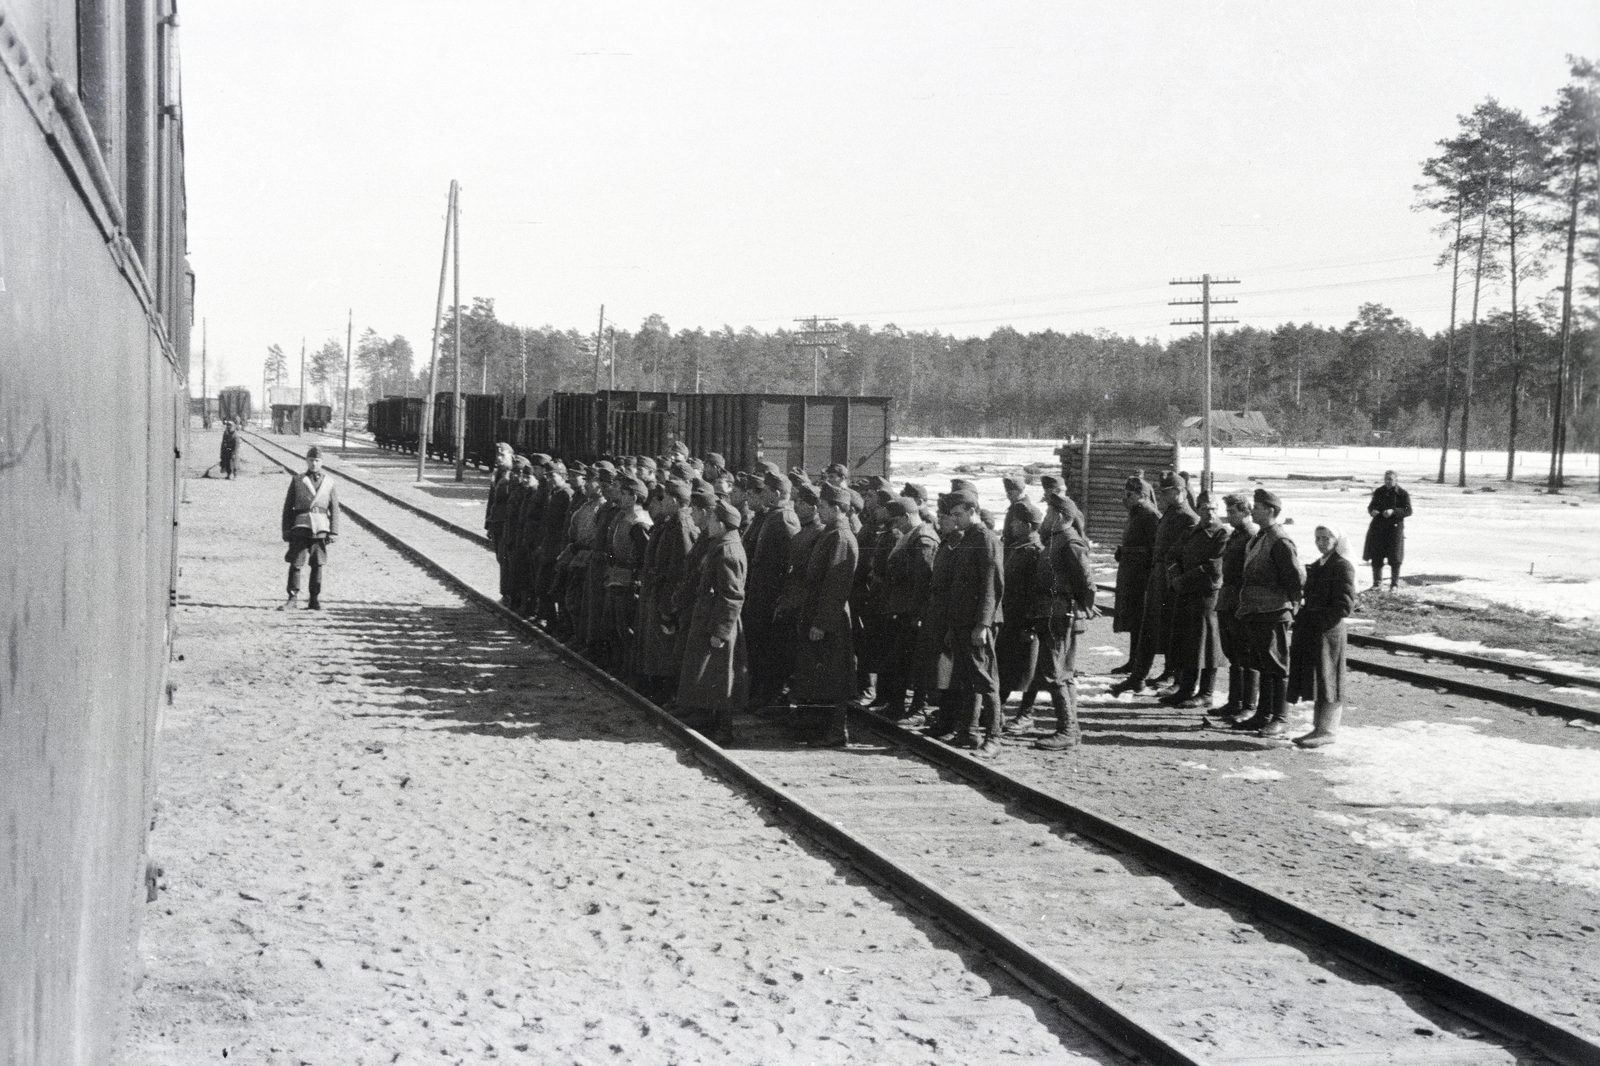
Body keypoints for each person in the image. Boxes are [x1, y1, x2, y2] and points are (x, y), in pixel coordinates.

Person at [1110, 472, 1197, 696]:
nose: (1165, 496)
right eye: (1165, 493)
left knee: (1171, 630)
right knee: (1149, 628)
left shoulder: (1188, 518)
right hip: (1158, 577)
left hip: (1171, 581)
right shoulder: (1170, 514)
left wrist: (1172, 575)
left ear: (1182, 492)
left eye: (1170, 492)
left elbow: (1185, 555)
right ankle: (1138, 677)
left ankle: (1172, 677)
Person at [674, 496, 749, 746]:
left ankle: (724, 730)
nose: (709, 525)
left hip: (719, 622)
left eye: (713, 520)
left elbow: (732, 596)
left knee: (722, 678)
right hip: (711, 618)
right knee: (709, 675)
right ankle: (707, 721)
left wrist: (720, 631)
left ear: (722, 524)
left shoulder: (727, 550)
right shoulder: (722, 545)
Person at [790, 482, 860, 746]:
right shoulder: (831, 533)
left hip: (830, 619)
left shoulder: (840, 537)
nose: (819, 510)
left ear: (837, 508)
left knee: (833, 677)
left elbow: (836, 585)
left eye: (822, 506)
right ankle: (817, 728)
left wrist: (821, 622)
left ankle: (834, 732)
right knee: (819, 674)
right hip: (819, 613)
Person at [1231, 488, 1305, 737]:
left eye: (1258, 507)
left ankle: (1280, 717)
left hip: (1273, 610)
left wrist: (1291, 606)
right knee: (1262, 662)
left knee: (1277, 665)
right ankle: (1263, 714)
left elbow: (1295, 579)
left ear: (1271, 511)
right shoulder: (1261, 536)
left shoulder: (1280, 540)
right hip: (1255, 608)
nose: (1253, 510)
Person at [941, 489, 1005, 757]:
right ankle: (969, 732)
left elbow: (992, 585)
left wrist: (983, 624)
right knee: (968, 678)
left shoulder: (986, 539)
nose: (955, 519)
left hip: (977, 623)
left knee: (986, 680)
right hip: (961, 620)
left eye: (959, 514)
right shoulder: (968, 538)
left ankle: (994, 738)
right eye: (952, 515)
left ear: (972, 511)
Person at [1031, 494, 1097, 750]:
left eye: (1050, 514)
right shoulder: (1056, 539)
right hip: (1051, 610)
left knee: (1056, 672)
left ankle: (1067, 730)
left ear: (1064, 517)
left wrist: (1082, 607)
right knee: (1060, 672)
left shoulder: (1069, 541)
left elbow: (1086, 581)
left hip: (1060, 612)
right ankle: (1071, 728)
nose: (1046, 518)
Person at [1288, 525, 1357, 747]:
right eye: (1317, 538)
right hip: (1316, 630)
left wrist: (1320, 623)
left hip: (1329, 632)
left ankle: (1328, 730)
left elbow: (1344, 605)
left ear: (1336, 540)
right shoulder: (1320, 564)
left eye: (1326, 538)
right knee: (1320, 681)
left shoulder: (1342, 565)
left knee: (1331, 681)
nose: (1321, 542)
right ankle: (1318, 728)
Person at [1161, 491, 1229, 710]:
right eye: (1204, 508)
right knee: (1189, 643)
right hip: (1186, 594)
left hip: (1207, 596)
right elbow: (1172, 556)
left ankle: (1206, 692)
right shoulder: (1191, 532)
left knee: (1207, 645)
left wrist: (1184, 580)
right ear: (1198, 510)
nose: (1209, 513)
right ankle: (1186, 689)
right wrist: (1175, 578)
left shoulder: (1222, 535)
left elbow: (1215, 567)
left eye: (1213, 508)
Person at [874, 498, 939, 720]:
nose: (894, 526)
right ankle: (897, 706)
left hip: (913, 612)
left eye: (897, 521)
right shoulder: (910, 537)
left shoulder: (923, 539)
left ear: (907, 516)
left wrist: (918, 614)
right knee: (900, 660)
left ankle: (918, 707)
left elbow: (924, 581)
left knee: (915, 662)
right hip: (902, 610)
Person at [743, 470, 801, 708]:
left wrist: (781, 599)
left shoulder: (785, 519)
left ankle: (771, 698)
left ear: (776, 494)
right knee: (759, 647)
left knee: (770, 649)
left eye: (766, 491)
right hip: (760, 594)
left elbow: (792, 564)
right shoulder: (772, 516)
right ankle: (760, 695)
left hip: (770, 596)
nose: (762, 494)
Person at [996, 499, 1045, 732]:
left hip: (1026, 620)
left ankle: (1026, 713)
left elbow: (1038, 591)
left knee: (1031, 669)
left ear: (1027, 525)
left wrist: (1032, 624)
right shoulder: (1017, 547)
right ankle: (998, 708)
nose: (1011, 526)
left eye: (1016, 523)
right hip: (1011, 617)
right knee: (1008, 663)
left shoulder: (1035, 551)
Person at [1211, 493, 1259, 726]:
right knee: (1233, 654)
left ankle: (1248, 705)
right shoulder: (1238, 533)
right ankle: (1234, 701)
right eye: (1228, 511)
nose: (1228, 515)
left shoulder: (1250, 534)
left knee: (1245, 654)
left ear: (1245, 512)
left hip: (1240, 599)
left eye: (1232, 511)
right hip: (1228, 597)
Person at [279, 445, 340, 610]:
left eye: (317, 460)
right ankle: (292, 598)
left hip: (320, 528)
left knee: (317, 563)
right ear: (306, 461)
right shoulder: (298, 480)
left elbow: (334, 508)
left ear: (322, 462)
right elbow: (287, 507)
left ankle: (314, 599)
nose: (314, 464)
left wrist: (333, 531)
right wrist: (286, 529)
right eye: (311, 460)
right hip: (301, 526)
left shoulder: (329, 482)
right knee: (296, 563)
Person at [1109, 477, 1159, 674]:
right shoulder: (1136, 513)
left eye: (1129, 494)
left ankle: (1139, 663)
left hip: (1142, 577)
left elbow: (1155, 549)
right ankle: (1133, 661)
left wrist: (1131, 553)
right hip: (1132, 574)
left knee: (1141, 620)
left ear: (1143, 495)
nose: (1125, 498)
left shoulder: (1149, 515)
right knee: (1133, 620)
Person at [1362, 470, 1412, 591]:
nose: (1388, 481)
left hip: (1394, 529)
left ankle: (1394, 584)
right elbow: (1371, 506)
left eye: (1390, 479)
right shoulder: (1379, 492)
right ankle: (1377, 583)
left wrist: (1393, 512)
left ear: (1396, 480)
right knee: (1376, 556)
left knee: (1395, 557)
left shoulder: (1402, 493)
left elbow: (1408, 510)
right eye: (1386, 479)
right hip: (1378, 528)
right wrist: (1372, 511)